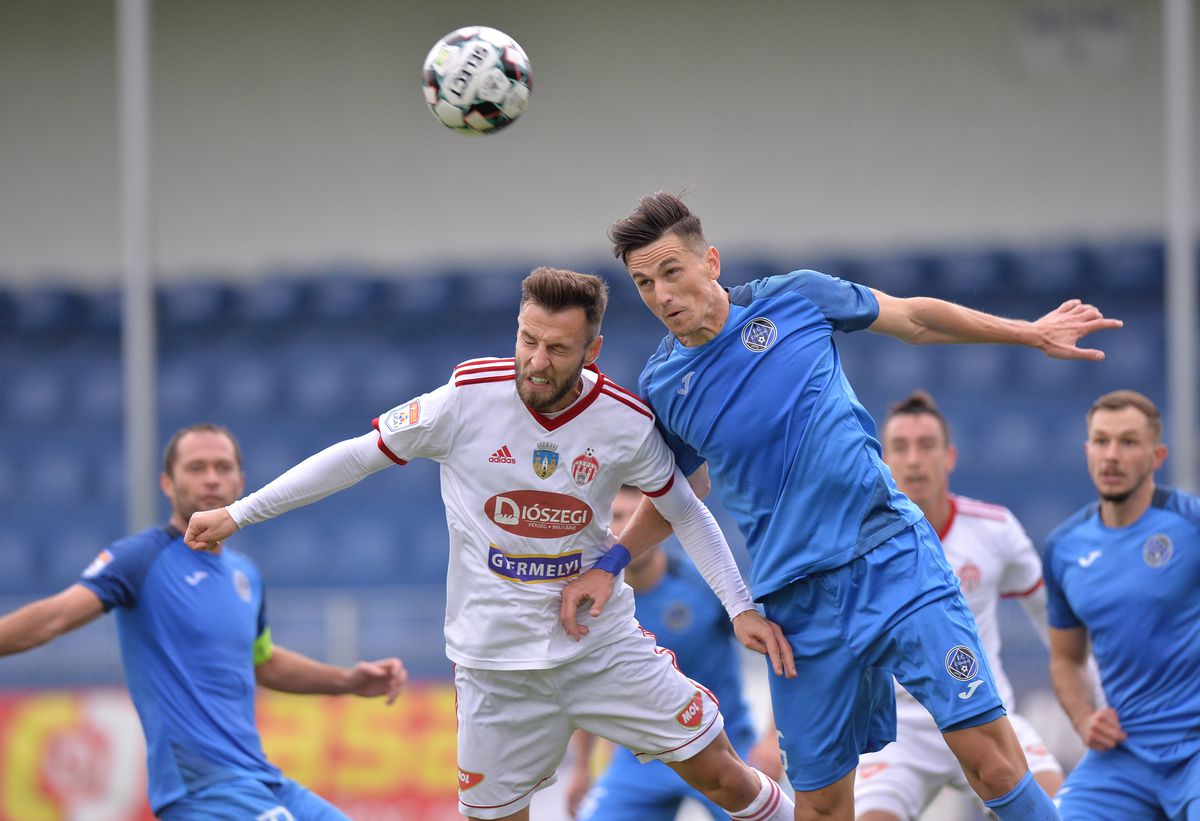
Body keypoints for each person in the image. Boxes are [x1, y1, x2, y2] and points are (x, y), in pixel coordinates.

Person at [560, 192, 1122, 821]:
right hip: (797, 609)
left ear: (710, 262)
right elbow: (676, 498)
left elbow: (912, 318)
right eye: (643, 283)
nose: (661, 294)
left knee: (990, 760)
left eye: (671, 272)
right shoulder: (665, 387)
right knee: (822, 807)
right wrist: (610, 561)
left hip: (890, 559)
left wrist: (1029, 333)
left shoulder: (793, 298)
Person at [184, 268, 798, 821]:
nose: (536, 360)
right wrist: (241, 512)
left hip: (598, 650)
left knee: (723, 777)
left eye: (557, 349)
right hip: (493, 669)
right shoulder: (465, 399)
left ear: (593, 350)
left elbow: (686, 510)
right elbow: (354, 458)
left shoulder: (623, 422)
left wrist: (739, 604)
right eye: (527, 340)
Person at [0, 423, 407, 820]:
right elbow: (53, 618)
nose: (211, 478)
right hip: (201, 791)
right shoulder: (139, 560)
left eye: (222, 467)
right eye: (196, 468)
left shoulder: (245, 574)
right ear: (167, 483)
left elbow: (261, 661)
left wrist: (348, 681)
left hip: (262, 780)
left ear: (241, 481)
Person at [855, 390, 1076, 820]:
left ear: (949, 457)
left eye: (927, 445)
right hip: (900, 733)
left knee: (1062, 808)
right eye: (900, 447)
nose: (914, 458)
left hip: (988, 713)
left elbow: (1055, 622)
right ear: (882, 459)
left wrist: (1088, 706)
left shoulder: (995, 529)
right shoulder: (857, 545)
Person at [567, 484, 783, 821]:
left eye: (630, 517)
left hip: (727, 745)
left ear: (652, 524)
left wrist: (772, 740)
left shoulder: (706, 584)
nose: (621, 531)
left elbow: (776, 652)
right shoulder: (596, 605)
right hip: (641, 759)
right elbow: (588, 683)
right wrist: (582, 769)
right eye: (611, 521)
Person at [1045, 390, 1200, 820]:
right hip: (1124, 753)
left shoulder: (1191, 523)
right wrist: (1083, 718)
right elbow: (1065, 659)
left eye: (1128, 442)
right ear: (1087, 450)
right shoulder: (1063, 548)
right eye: (1101, 441)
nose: (1111, 455)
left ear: (1158, 455)